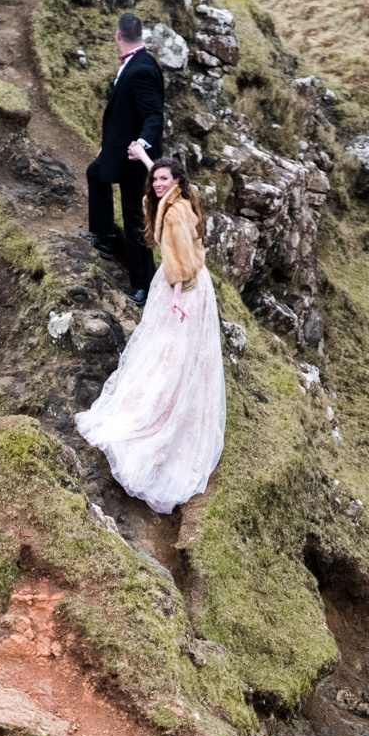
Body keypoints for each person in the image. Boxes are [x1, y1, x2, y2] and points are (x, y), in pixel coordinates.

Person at [77, 154, 226, 514]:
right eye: (155, 179)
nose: (158, 184)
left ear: (176, 181)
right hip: (195, 286)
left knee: (168, 350)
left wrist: (175, 299)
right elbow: (184, 251)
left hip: (183, 288)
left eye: (163, 179)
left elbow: (182, 263)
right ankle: (179, 406)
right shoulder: (182, 199)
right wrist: (146, 159)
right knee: (182, 353)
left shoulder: (173, 213)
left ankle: (162, 412)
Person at [87, 9, 166, 292]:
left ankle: (143, 286)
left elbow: (154, 115)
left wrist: (142, 145)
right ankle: (105, 235)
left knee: (134, 220)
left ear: (118, 35)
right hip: (120, 148)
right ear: (140, 35)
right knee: (95, 173)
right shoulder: (139, 62)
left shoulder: (142, 69)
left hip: (136, 158)